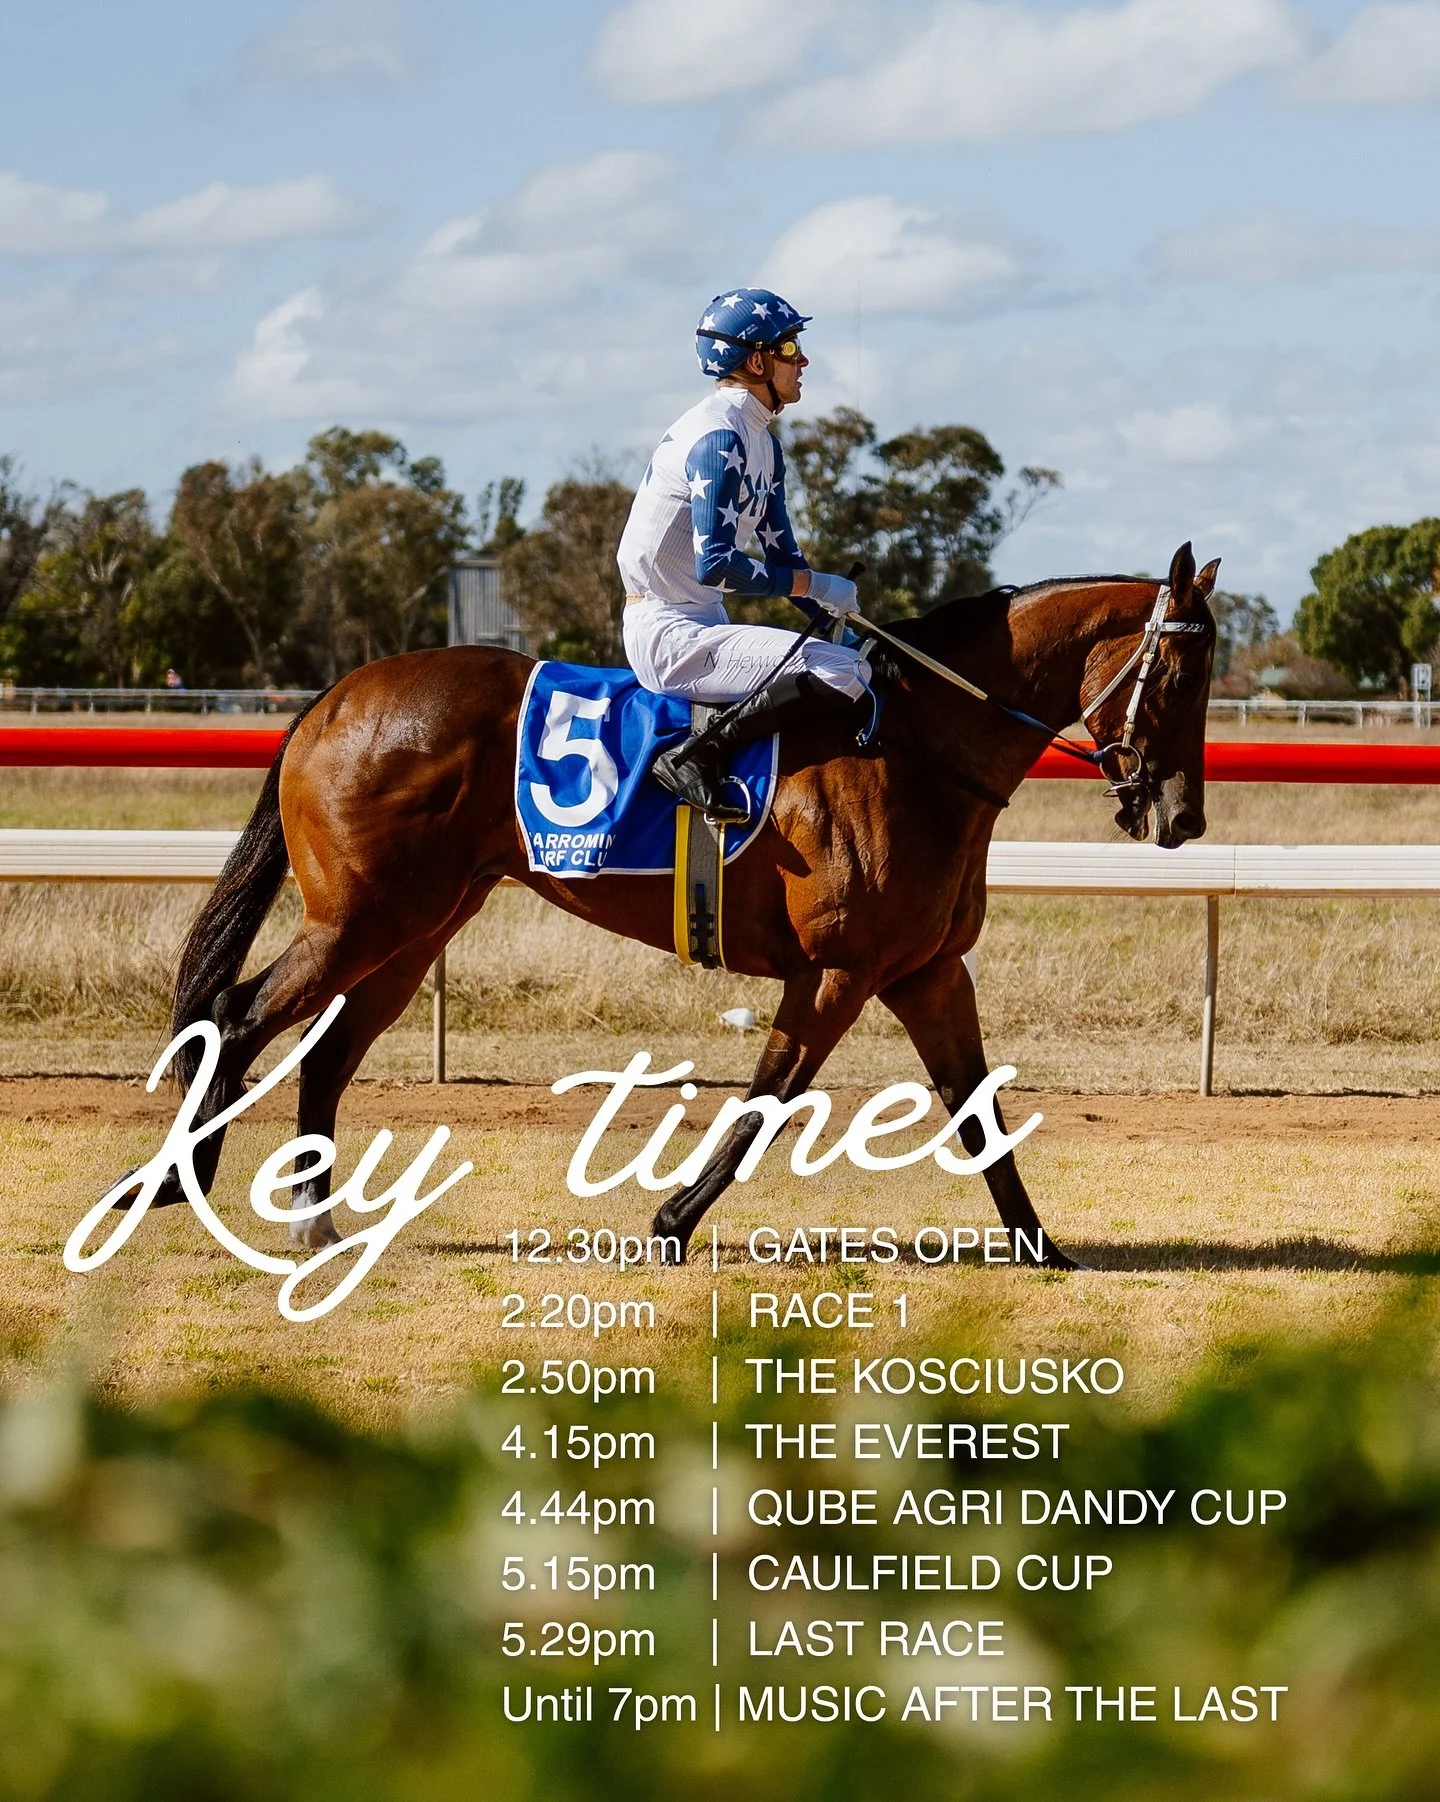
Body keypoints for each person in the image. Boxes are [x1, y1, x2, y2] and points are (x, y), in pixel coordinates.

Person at [617, 288, 872, 823]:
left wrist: (842, 620)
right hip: (669, 634)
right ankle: (694, 755)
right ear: (756, 360)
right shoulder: (718, 438)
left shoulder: (762, 442)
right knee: (842, 672)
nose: (802, 361)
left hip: (703, 623)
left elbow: (783, 555)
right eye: (789, 348)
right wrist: (814, 588)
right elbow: (717, 566)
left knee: (858, 658)